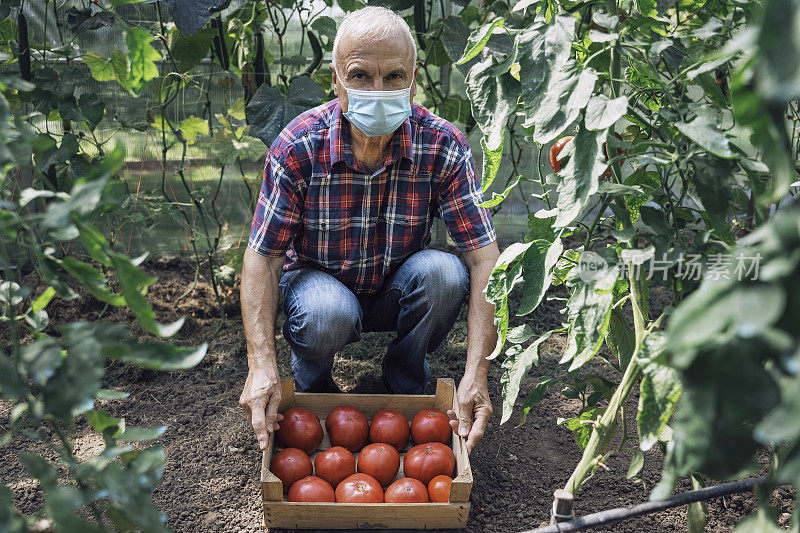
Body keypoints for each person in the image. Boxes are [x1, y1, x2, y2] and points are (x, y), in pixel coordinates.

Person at [239, 6, 500, 454]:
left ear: (413, 80)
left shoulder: (441, 145)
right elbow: (263, 258)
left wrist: (477, 370)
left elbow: (484, 257)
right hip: (319, 288)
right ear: (335, 80)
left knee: (445, 275)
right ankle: (314, 385)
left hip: (397, 287)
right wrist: (260, 364)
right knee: (325, 313)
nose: (378, 92)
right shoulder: (298, 146)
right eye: (360, 76)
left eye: (394, 76)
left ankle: (404, 377)